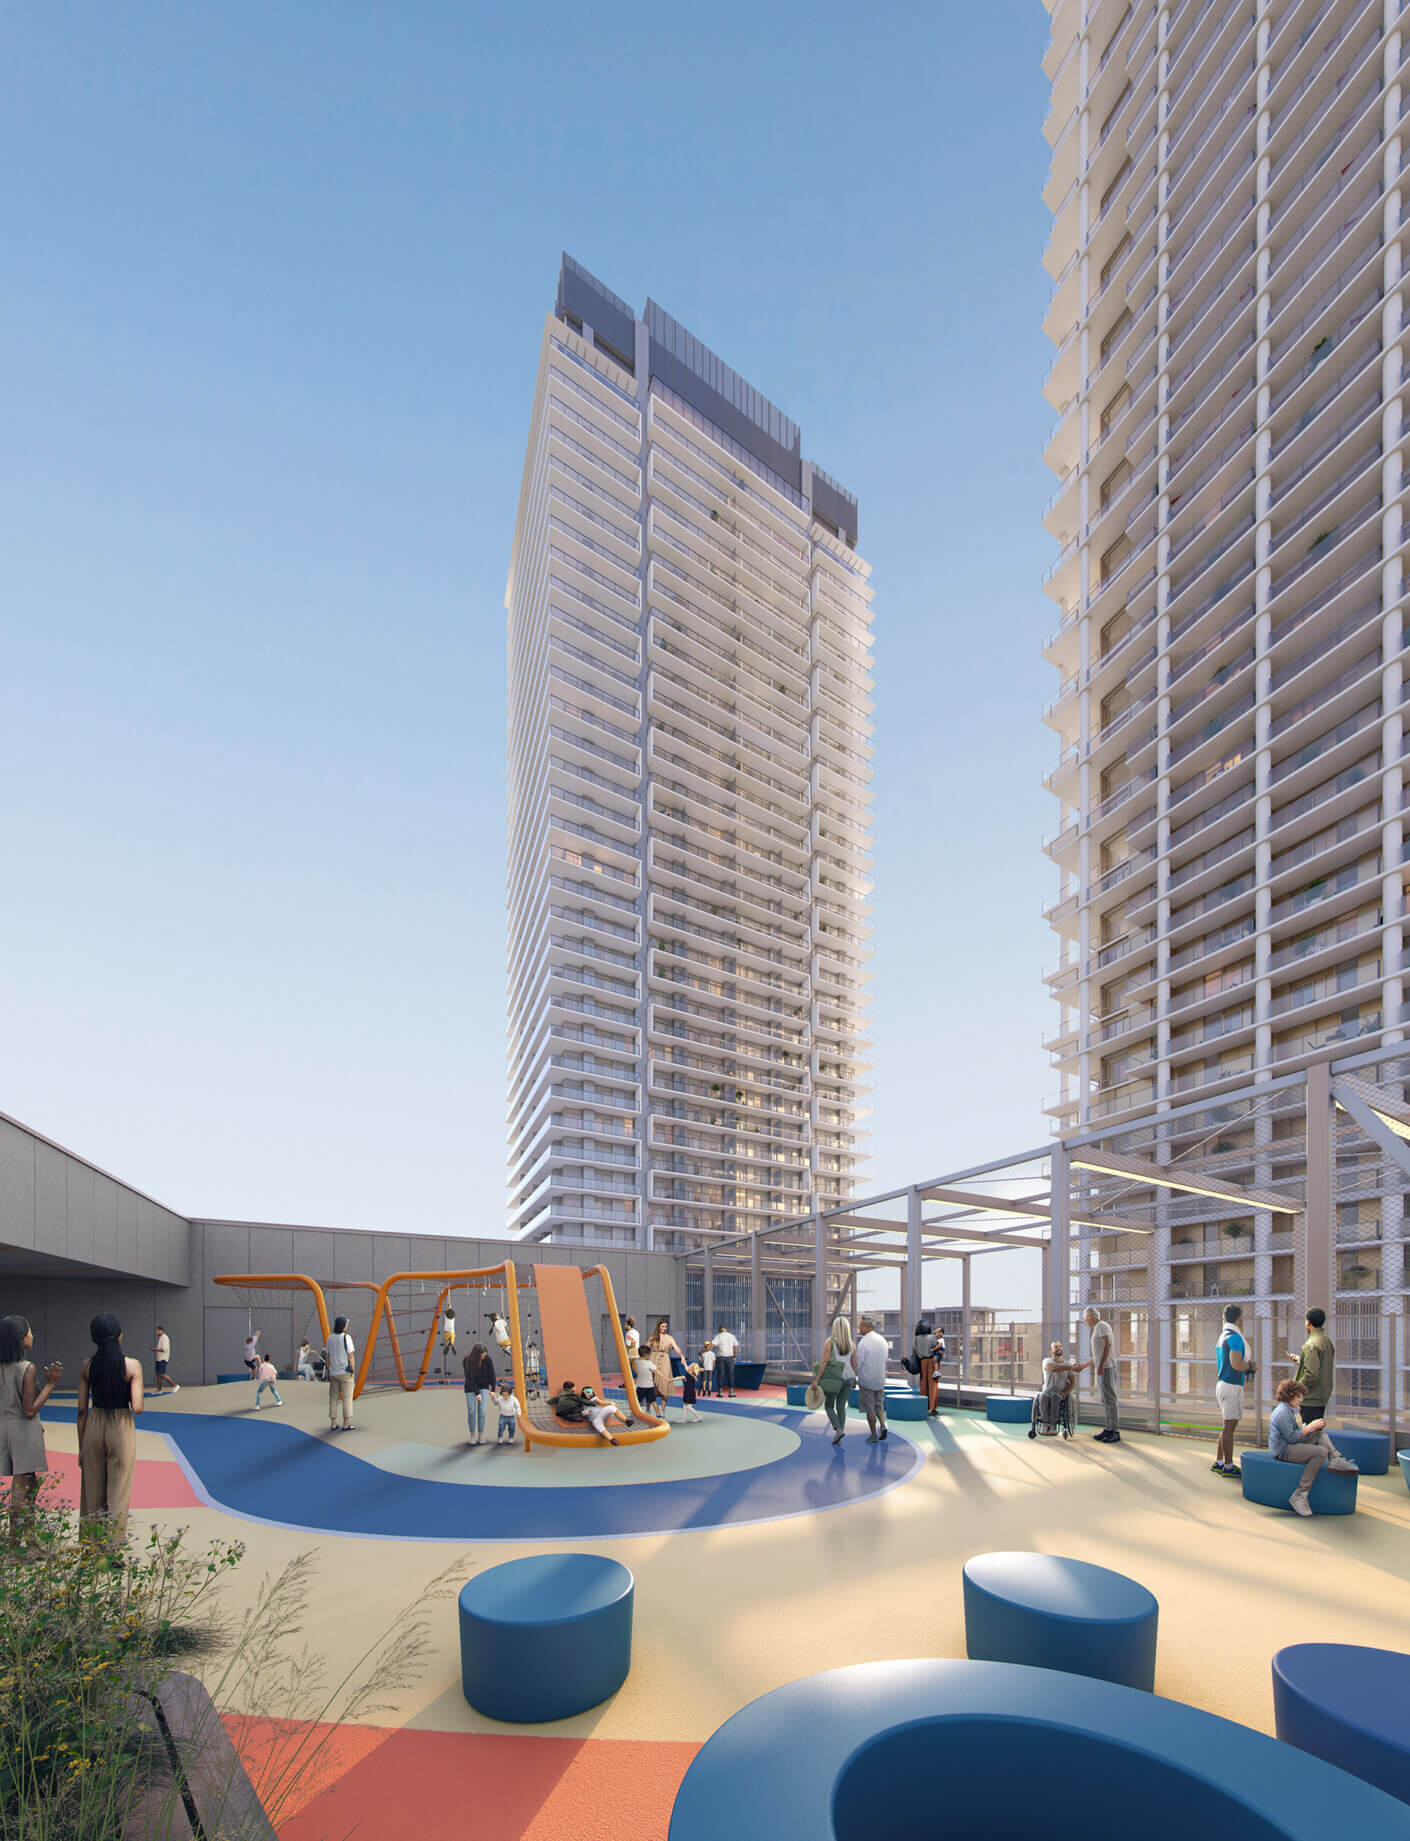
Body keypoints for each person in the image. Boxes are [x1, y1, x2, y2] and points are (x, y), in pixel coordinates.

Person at [77, 1313, 144, 1544]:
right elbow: (137, 1407)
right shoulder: (131, 1365)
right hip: (121, 1424)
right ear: (119, 1336)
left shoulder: (87, 1366)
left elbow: (81, 1411)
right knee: (118, 1491)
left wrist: (81, 1447)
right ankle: (113, 1547)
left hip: (94, 1423)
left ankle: (91, 1544)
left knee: (92, 1490)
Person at [0, 1315, 62, 1548]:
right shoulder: (27, 1368)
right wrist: (51, 1384)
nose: (32, 1335)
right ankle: (16, 1542)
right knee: (23, 1487)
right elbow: (29, 1409)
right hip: (24, 1431)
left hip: (6, 1428)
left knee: (28, 1484)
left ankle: (29, 1540)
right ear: (20, 1338)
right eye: (29, 1331)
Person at [1270, 1378, 1358, 1517]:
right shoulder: (1282, 1412)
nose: (1301, 1400)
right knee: (1320, 1452)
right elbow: (1292, 1438)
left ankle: (1336, 1459)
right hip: (1283, 1450)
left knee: (1319, 1434)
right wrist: (1310, 1427)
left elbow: (1295, 1433)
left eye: (1301, 1397)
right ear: (1289, 1395)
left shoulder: (1288, 1409)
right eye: (1298, 1396)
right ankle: (1300, 1494)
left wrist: (1312, 1428)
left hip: (1289, 1444)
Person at [1213, 1304, 1254, 1478]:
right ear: (1239, 1318)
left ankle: (1219, 1462)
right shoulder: (1235, 1338)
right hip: (1231, 1386)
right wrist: (1250, 1366)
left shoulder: (1223, 1336)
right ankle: (1228, 1467)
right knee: (1229, 1427)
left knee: (1227, 1426)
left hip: (1222, 1384)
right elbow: (1236, 1363)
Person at [1292, 1307, 1335, 1429]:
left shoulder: (1311, 1344)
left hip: (1311, 1398)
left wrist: (1295, 1387)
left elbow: (1311, 1374)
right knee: (1317, 1432)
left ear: (1308, 1323)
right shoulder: (1326, 1340)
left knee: (1310, 1433)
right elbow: (1321, 1364)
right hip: (1322, 1395)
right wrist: (1301, 1361)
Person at [816, 1315, 855, 1445]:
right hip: (849, 1377)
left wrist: (816, 1379)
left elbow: (825, 1362)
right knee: (841, 1407)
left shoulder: (830, 1342)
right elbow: (854, 1363)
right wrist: (856, 1378)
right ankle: (840, 1434)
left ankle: (838, 1429)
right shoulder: (852, 1344)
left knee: (828, 1406)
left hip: (835, 1379)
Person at [1084, 1307, 1120, 1443]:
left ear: (1090, 1315)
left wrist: (1101, 1365)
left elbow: (1107, 1345)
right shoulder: (1098, 1328)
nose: (1085, 1321)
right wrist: (1083, 1366)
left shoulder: (1101, 1326)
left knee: (1110, 1400)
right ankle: (1109, 1429)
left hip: (1106, 1368)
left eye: (1085, 1318)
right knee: (1105, 1400)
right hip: (1103, 1368)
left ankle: (1114, 1431)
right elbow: (1097, 1354)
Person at [1030, 1340, 1080, 1438]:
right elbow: (1053, 1369)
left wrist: (1066, 1392)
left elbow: (1072, 1382)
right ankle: (1045, 1423)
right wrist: (1071, 1367)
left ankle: (1053, 1424)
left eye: (1060, 1346)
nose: (1059, 1348)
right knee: (1043, 1396)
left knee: (1055, 1397)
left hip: (1059, 1392)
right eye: (1056, 1347)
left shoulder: (1067, 1364)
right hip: (1047, 1391)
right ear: (1051, 1350)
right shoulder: (1047, 1361)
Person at [855, 1315, 890, 1443]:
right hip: (880, 1378)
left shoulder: (863, 1342)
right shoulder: (882, 1340)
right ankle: (883, 1424)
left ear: (868, 1327)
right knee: (879, 1405)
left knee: (869, 1408)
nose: (859, 1328)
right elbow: (885, 1358)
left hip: (867, 1380)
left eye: (861, 1325)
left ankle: (874, 1435)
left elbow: (859, 1362)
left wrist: (856, 1377)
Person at [325, 1314, 356, 1433]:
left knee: (333, 1397)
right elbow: (351, 1356)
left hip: (334, 1372)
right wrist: (353, 1371)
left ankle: (333, 1423)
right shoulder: (347, 1338)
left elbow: (327, 1356)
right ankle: (346, 1424)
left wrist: (330, 1369)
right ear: (343, 1326)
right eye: (346, 1324)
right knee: (347, 1398)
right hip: (345, 1372)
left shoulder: (330, 1338)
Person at [649, 1319, 686, 1418]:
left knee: (665, 1384)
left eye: (666, 1326)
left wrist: (682, 1356)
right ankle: (651, 1409)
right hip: (653, 1359)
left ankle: (663, 1410)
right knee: (651, 1385)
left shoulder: (670, 1338)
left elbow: (676, 1348)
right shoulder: (653, 1337)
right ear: (658, 1326)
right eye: (662, 1326)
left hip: (665, 1360)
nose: (664, 1328)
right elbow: (645, 1348)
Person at [463, 1342, 496, 1447]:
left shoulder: (488, 1359)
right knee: (472, 1412)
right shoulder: (467, 1360)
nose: (483, 1357)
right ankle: (472, 1435)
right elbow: (469, 1378)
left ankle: (481, 1436)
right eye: (482, 1356)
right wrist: (477, 1393)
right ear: (477, 1355)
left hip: (484, 1387)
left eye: (484, 1355)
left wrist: (493, 1389)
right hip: (470, 1387)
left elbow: (492, 1374)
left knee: (482, 1412)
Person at [912, 1318, 940, 1416]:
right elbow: (936, 1348)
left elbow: (914, 1350)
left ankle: (923, 1406)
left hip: (922, 1362)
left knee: (923, 1384)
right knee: (933, 1384)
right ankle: (932, 1409)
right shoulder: (932, 1337)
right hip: (932, 1361)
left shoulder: (916, 1338)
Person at [148, 1326, 180, 1395]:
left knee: (162, 1374)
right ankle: (159, 1390)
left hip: (163, 1359)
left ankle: (175, 1386)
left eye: (157, 1331)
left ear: (161, 1330)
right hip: (159, 1359)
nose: (156, 1333)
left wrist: (154, 1349)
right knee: (158, 1375)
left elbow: (164, 1349)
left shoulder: (165, 1337)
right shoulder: (161, 1338)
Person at [712, 1324, 739, 1397]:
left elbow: (712, 1345)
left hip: (720, 1357)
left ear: (720, 1329)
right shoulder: (732, 1336)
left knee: (720, 1374)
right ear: (726, 1329)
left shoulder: (718, 1336)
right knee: (730, 1374)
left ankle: (720, 1392)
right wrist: (734, 1357)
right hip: (730, 1357)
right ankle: (731, 1392)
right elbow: (735, 1347)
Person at [631, 1346, 659, 1416]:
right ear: (646, 1355)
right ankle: (658, 1414)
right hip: (649, 1386)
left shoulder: (637, 1362)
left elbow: (633, 1360)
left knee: (637, 1401)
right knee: (652, 1401)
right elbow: (655, 1370)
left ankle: (634, 1414)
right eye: (649, 1354)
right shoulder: (649, 1363)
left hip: (641, 1386)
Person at [495, 1378, 521, 1445]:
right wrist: (493, 1397)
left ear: (510, 1394)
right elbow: (495, 1402)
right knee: (501, 1427)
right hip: (503, 1416)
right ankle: (500, 1437)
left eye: (506, 1395)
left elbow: (518, 1406)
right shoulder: (500, 1399)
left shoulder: (514, 1399)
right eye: (503, 1395)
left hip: (511, 1416)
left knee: (512, 1428)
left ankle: (511, 1437)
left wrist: (519, 1413)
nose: (505, 1397)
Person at [441, 1305, 457, 1372]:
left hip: (449, 1332)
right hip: (450, 1332)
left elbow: (448, 1312)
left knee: (449, 1342)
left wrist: (449, 1307)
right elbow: (449, 1312)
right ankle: (450, 1345)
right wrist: (449, 1307)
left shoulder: (446, 1317)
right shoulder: (452, 1318)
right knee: (449, 1342)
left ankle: (449, 1345)